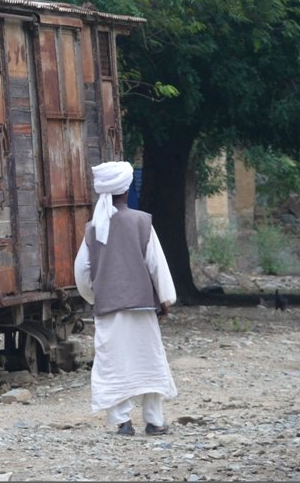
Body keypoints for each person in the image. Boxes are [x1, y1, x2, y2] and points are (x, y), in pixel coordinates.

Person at [74, 160, 177, 436]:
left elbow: (82, 272)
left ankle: (123, 423)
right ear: (125, 189)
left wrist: (96, 297)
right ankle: (155, 422)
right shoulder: (142, 221)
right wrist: (165, 300)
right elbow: (156, 264)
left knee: (114, 364)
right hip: (142, 307)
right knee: (149, 361)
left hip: (109, 310)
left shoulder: (92, 229)